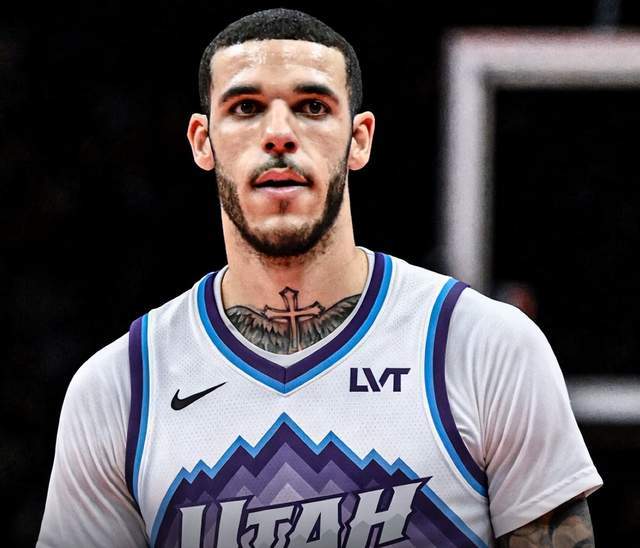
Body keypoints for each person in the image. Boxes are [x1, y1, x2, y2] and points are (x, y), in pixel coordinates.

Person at [37, 8, 603, 547]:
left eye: (311, 106)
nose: (279, 134)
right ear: (202, 141)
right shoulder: (121, 387)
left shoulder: (484, 347)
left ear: (360, 138)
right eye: (246, 107)